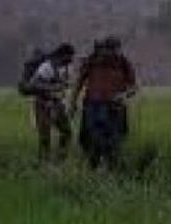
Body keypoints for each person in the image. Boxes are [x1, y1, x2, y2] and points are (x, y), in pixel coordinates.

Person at [69, 36, 137, 170]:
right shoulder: (92, 61)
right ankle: (94, 165)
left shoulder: (123, 63)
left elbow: (133, 87)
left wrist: (123, 95)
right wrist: (72, 102)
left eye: (116, 50)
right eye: (111, 50)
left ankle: (111, 167)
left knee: (115, 138)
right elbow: (78, 83)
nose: (113, 53)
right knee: (93, 137)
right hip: (93, 105)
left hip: (115, 107)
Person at [28, 43, 76, 163]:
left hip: (57, 104)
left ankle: (60, 160)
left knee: (66, 132)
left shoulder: (65, 68)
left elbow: (66, 85)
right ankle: (44, 163)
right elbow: (34, 84)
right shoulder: (47, 67)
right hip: (43, 104)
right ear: (63, 55)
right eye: (70, 56)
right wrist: (52, 88)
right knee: (45, 136)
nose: (71, 59)